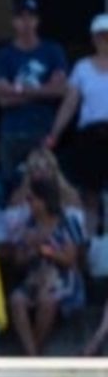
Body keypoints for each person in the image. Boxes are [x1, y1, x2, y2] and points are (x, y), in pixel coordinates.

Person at [0, 0, 69, 184]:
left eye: (30, 17)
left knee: (46, 186)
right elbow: (1, 96)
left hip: (43, 131)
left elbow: (60, 89)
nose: (26, 23)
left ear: (37, 21)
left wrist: (18, 90)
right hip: (12, 133)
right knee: (11, 188)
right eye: (21, 17)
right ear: (13, 21)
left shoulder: (52, 50)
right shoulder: (4, 55)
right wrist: (42, 91)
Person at [7, 176, 86, 357]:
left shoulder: (67, 222)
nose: (29, 204)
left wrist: (44, 249)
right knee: (17, 300)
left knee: (47, 299)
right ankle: (33, 355)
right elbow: (18, 260)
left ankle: (35, 352)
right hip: (34, 278)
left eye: (31, 199)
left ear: (43, 200)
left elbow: (70, 259)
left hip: (63, 279)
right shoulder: (29, 224)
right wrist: (30, 250)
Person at [45, 13, 108, 236]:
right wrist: (54, 134)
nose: (105, 40)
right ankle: (89, 248)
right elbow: (70, 103)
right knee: (89, 195)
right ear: (94, 39)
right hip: (91, 136)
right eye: (101, 36)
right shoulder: (82, 67)